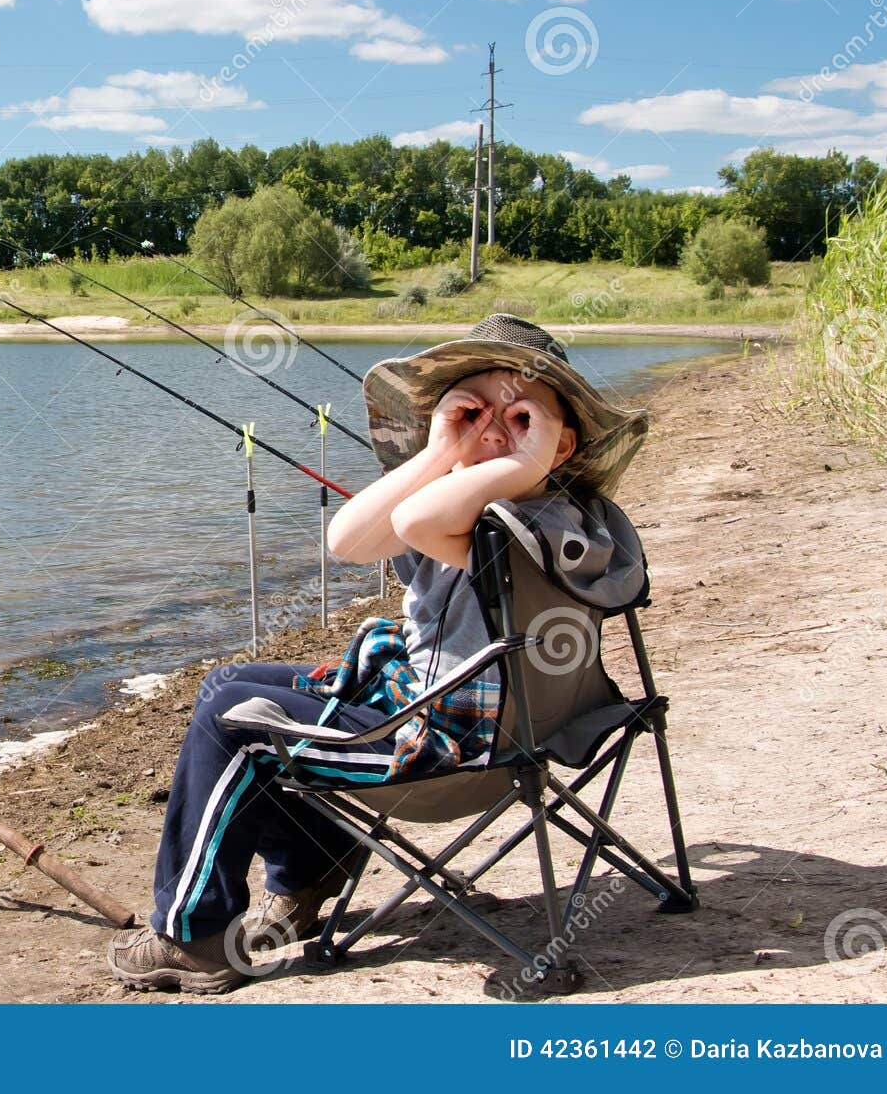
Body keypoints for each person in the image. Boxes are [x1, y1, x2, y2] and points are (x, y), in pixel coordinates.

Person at [108, 314, 649, 994]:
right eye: (473, 410)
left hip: (445, 753)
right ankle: (310, 872)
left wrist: (487, 461)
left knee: (228, 711)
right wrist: (448, 450)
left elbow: (409, 522)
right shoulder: (577, 522)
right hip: (525, 731)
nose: (493, 430)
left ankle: (195, 936)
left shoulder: (506, 526)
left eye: (521, 417)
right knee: (241, 681)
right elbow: (349, 540)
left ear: (563, 443)